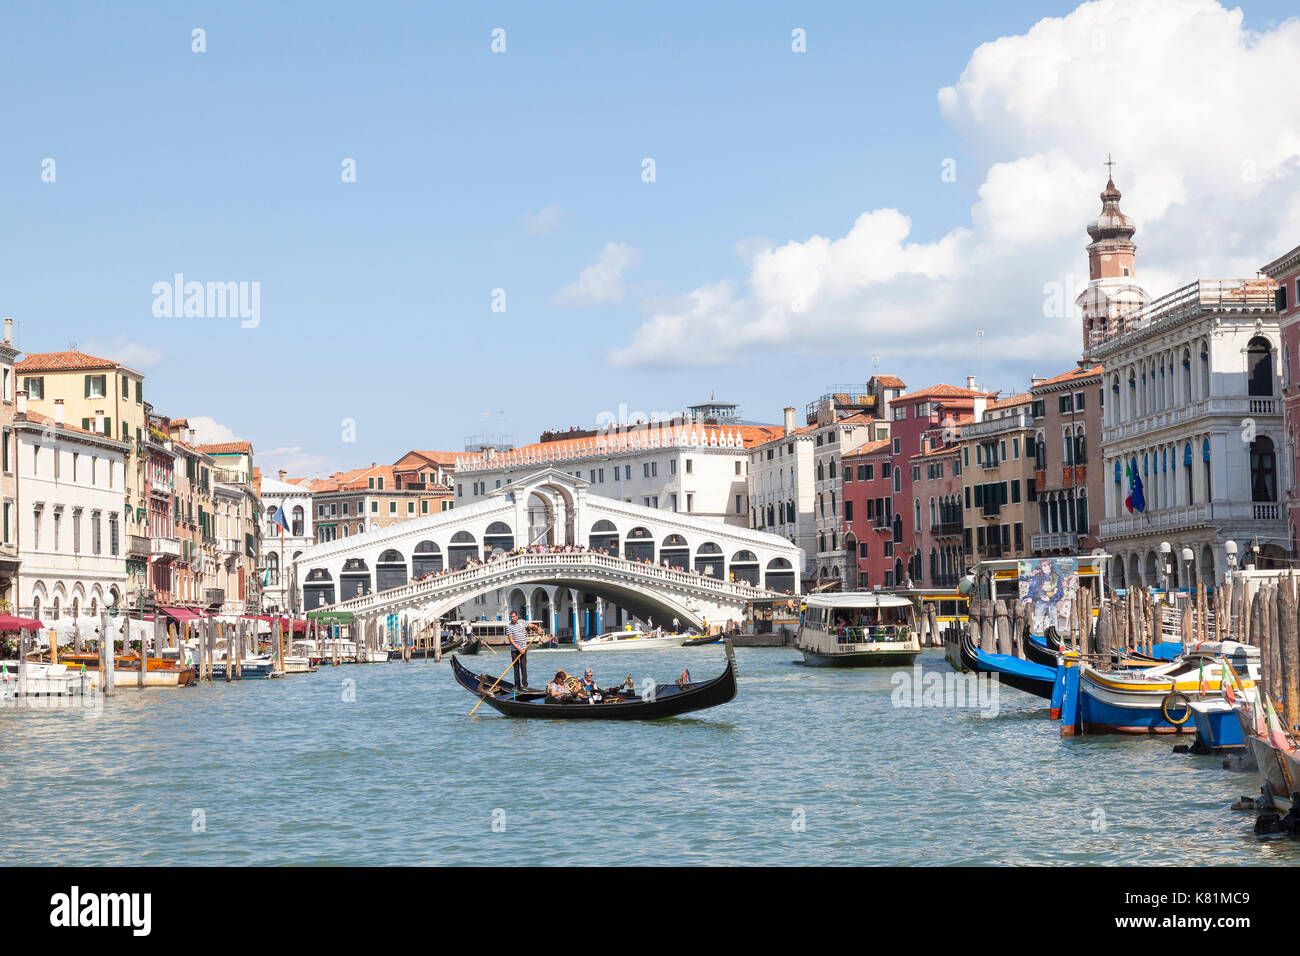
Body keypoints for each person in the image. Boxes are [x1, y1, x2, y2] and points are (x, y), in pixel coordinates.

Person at [505, 610, 538, 688]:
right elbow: (511, 640)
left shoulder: (522, 622)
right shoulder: (509, 626)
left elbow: (532, 625)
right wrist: (519, 649)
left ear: (517, 617)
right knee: (516, 667)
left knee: (523, 666)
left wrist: (538, 629)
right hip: (514, 650)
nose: (512, 618)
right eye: (511, 617)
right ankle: (517, 685)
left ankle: (525, 685)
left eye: (513, 617)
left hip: (524, 648)